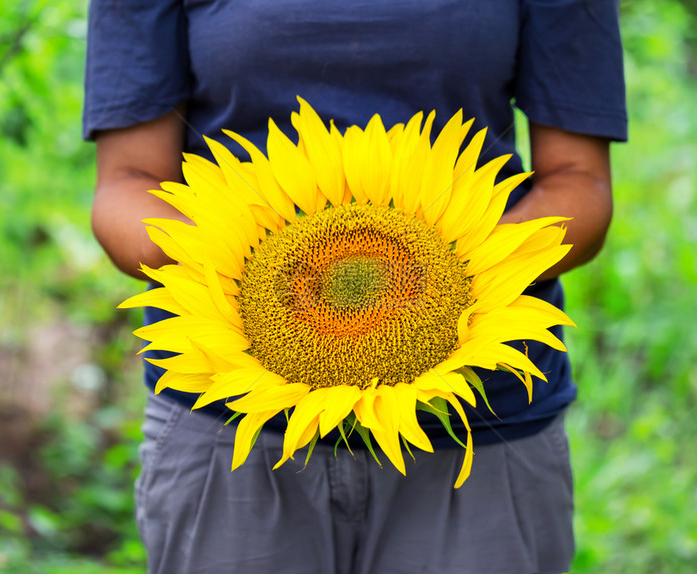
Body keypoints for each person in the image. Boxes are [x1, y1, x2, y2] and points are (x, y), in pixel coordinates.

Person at [83, 1, 626, 572]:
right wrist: (242, 261)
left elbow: (579, 181)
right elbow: (127, 181)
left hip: (479, 414)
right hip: (231, 409)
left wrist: (467, 271)